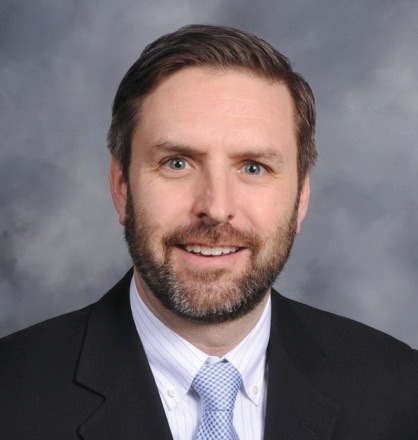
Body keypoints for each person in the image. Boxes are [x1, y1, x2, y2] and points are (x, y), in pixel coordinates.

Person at [0, 24, 417, 440]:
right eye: (177, 163)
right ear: (121, 185)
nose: (216, 209)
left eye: (253, 167)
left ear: (301, 196)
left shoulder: (401, 393)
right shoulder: (11, 398)